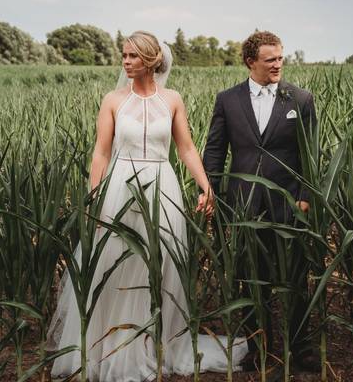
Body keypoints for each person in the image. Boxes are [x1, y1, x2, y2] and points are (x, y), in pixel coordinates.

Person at [48, 31, 247, 381]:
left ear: (152, 61)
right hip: (118, 188)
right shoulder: (112, 100)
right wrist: (94, 194)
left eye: (133, 57)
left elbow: (185, 148)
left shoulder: (171, 100)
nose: (125, 62)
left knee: (160, 263)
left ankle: (155, 346)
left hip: (162, 186)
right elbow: (101, 151)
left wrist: (205, 185)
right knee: (115, 262)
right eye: (124, 56)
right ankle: (110, 348)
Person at [202, 30, 319, 373]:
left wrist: (306, 197)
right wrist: (212, 190)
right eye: (270, 60)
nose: (278, 64)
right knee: (252, 277)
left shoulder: (301, 99)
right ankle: (259, 348)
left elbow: (310, 154)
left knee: (296, 279)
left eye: (281, 58)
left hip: (288, 205)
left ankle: (301, 350)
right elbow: (215, 149)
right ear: (250, 62)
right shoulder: (228, 99)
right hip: (243, 205)